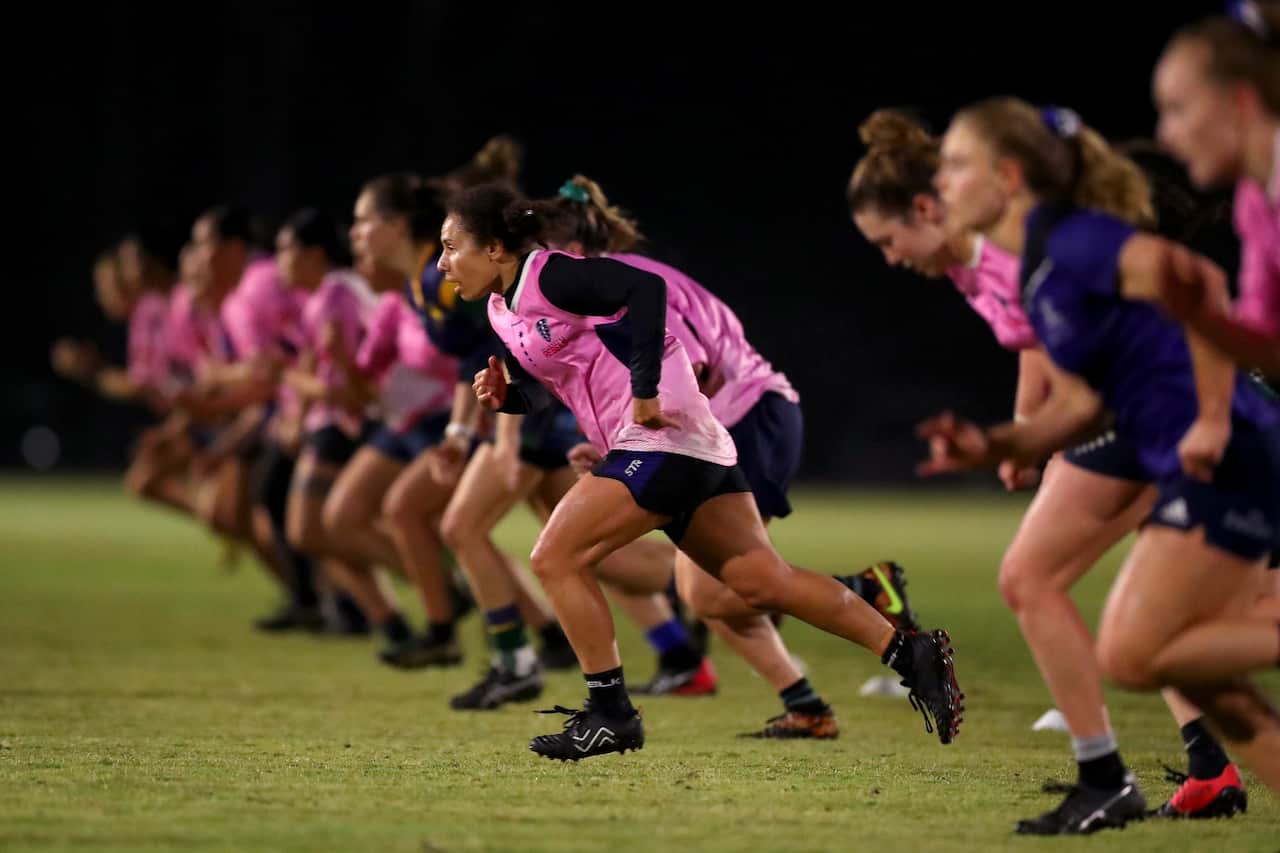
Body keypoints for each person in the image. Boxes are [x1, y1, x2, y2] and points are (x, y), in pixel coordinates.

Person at [442, 183, 963, 760]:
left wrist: (643, 392)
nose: (442, 264)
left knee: (555, 557)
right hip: (691, 443)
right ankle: (909, 653)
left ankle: (610, 713)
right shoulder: (501, 307)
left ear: (494, 249)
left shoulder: (548, 274)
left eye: (450, 247)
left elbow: (647, 289)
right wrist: (509, 395)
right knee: (762, 581)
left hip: (664, 435)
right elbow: (554, 381)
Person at [848, 109, 1251, 824]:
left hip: (1165, 414)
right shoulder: (990, 265)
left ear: (928, 206)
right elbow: (1042, 343)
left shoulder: (1026, 249)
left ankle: (1108, 776)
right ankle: (1207, 767)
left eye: (887, 240)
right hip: (1134, 417)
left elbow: (1177, 298)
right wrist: (1019, 438)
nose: (888, 258)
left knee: (1037, 579)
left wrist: (1033, 435)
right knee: (1144, 620)